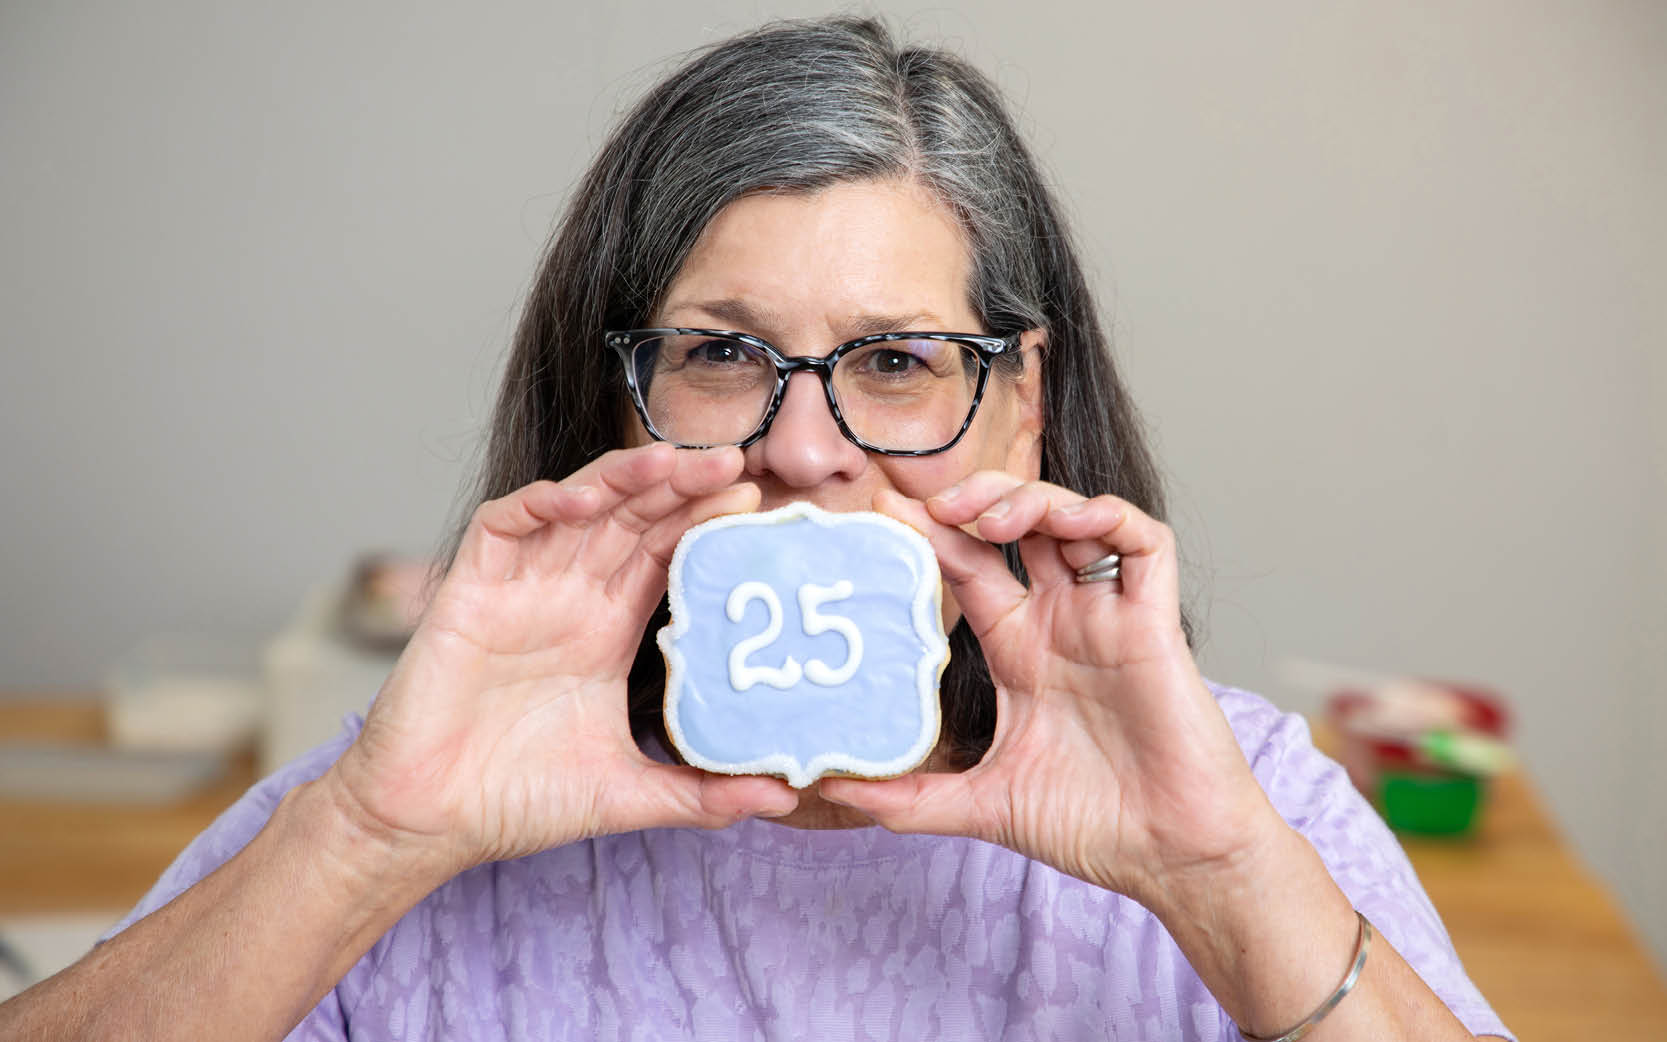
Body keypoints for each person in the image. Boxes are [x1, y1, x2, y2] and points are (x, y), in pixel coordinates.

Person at [0, 17, 1512, 1042]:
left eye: (897, 362)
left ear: (1022, 402)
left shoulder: (1245, 804)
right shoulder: (410, 797)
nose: (802, 450)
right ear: (614, 397)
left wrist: (1219, 876)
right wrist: (370, 842)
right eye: (722, 353)